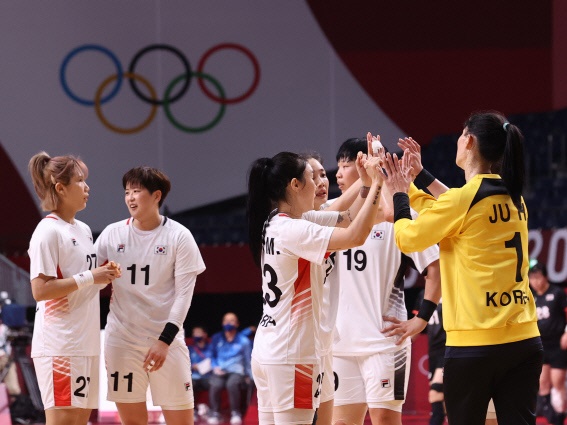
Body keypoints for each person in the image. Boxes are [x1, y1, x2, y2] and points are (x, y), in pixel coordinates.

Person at [382, 111, 543, 425]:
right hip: (524, 341)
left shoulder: (463, 201)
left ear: (468, 140)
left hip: (476, 347)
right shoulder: (514, 197)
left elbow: (408, 238)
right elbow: (452, 208)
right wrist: (417, 176)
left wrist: (399, 191)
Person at [247, 149, 384, 425]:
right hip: (293, 354)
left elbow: (346, 216)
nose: (321, 185)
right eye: (312, 177)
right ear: (294, 185)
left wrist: (367, 182)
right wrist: (379, 183)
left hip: (272, 349)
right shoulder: (295, 230)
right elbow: (355, 236)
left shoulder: (277, 223)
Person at [328, 137, 441, 425]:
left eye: (346, 166)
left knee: (385, 421)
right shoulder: (332, 213)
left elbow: (434, 266)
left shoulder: (400, 216)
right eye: (338, 167)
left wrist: (422, 319)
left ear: (366, 165)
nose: (338, 174)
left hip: (384, 342)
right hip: (339, 344)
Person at [95, 166, 206, 425]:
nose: (130, 198)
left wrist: (164, 341)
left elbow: (184, 297)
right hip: (121, 341)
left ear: (156, 196)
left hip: (166, 342)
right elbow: (92, 283)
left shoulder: (179, 236)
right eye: (127, 192)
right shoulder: (112, 234)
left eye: (137, 191)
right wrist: (100, 276)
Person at [27, 152, 120, 425]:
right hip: (60, 345)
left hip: (85, 342)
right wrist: (92, 276)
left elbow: (80, 281)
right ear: (61, 188)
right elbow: (41, 291)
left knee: (80, 420)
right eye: (80, 181)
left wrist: (103, 276)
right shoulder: (47, 231)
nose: (87, 187)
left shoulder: (84, 229)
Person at [529, 260, 567, 425]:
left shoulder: (557, 293)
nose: (535, 281)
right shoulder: (531, 297)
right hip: (541, 345)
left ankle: (559, 417)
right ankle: (552, 417)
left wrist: (566, 333)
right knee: (542, 384)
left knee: (557, 382)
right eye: (532, 278)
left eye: (538, 277)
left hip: (558, 344)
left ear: (545, 277)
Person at [207, 312, 252, 425]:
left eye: (231, 321)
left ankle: (235, 413)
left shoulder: (244, 341)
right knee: (215, 384)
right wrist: (215, 367)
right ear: (222, 323)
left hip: (237, 371)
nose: (228, 323)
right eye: (226, 320)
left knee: (232, 384)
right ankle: (215, 413)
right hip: (220, 370)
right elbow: (211, 355)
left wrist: (249, 376)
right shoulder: (216, 338)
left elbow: (248, 359)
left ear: (237, 324)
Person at [413, 291, 446, 425]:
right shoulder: (423, 295)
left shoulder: (454, 287)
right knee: (440, 399)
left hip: (450, 348)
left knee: (436, 391)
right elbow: (418, 326)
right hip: (434, 351)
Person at [187, 326, 212, 420]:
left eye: (198, 332)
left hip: (208, 376)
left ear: (204, 334)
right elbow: (185, 363)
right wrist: (192, 366)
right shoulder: (189, 348)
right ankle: (192, 410)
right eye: (194, 333)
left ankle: (212, 410)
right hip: (194, 377)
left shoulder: (211, 347)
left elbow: (215, 360)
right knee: (187, 386)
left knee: (215, 384)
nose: (195, 335)